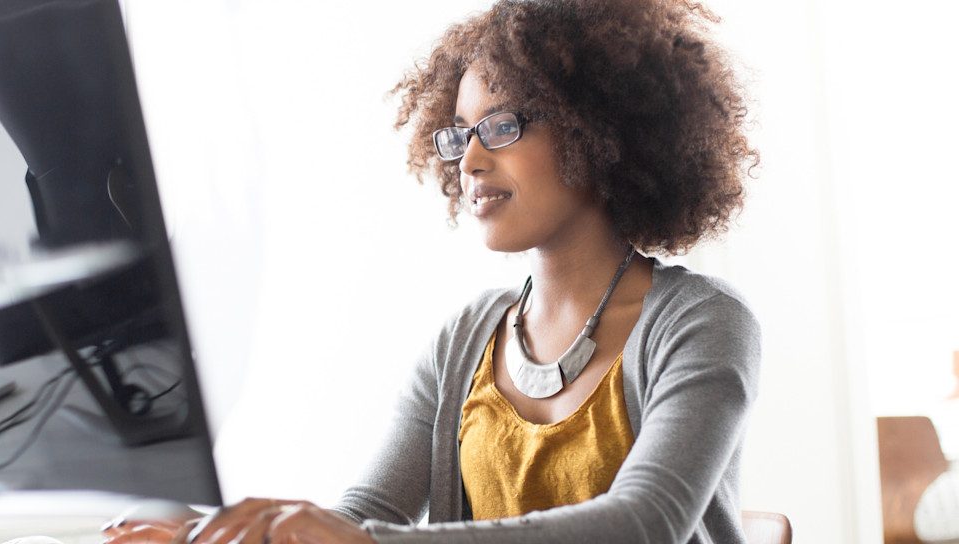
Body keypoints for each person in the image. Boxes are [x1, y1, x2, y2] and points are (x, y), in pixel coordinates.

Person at [105, 0, 760, 541]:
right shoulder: (465, 340)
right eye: (458, 133)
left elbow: (644, 524)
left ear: (599, 126)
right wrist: (217, 531)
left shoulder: (703, 323)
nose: (468, 162)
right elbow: (366, 513)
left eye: (501, 126)